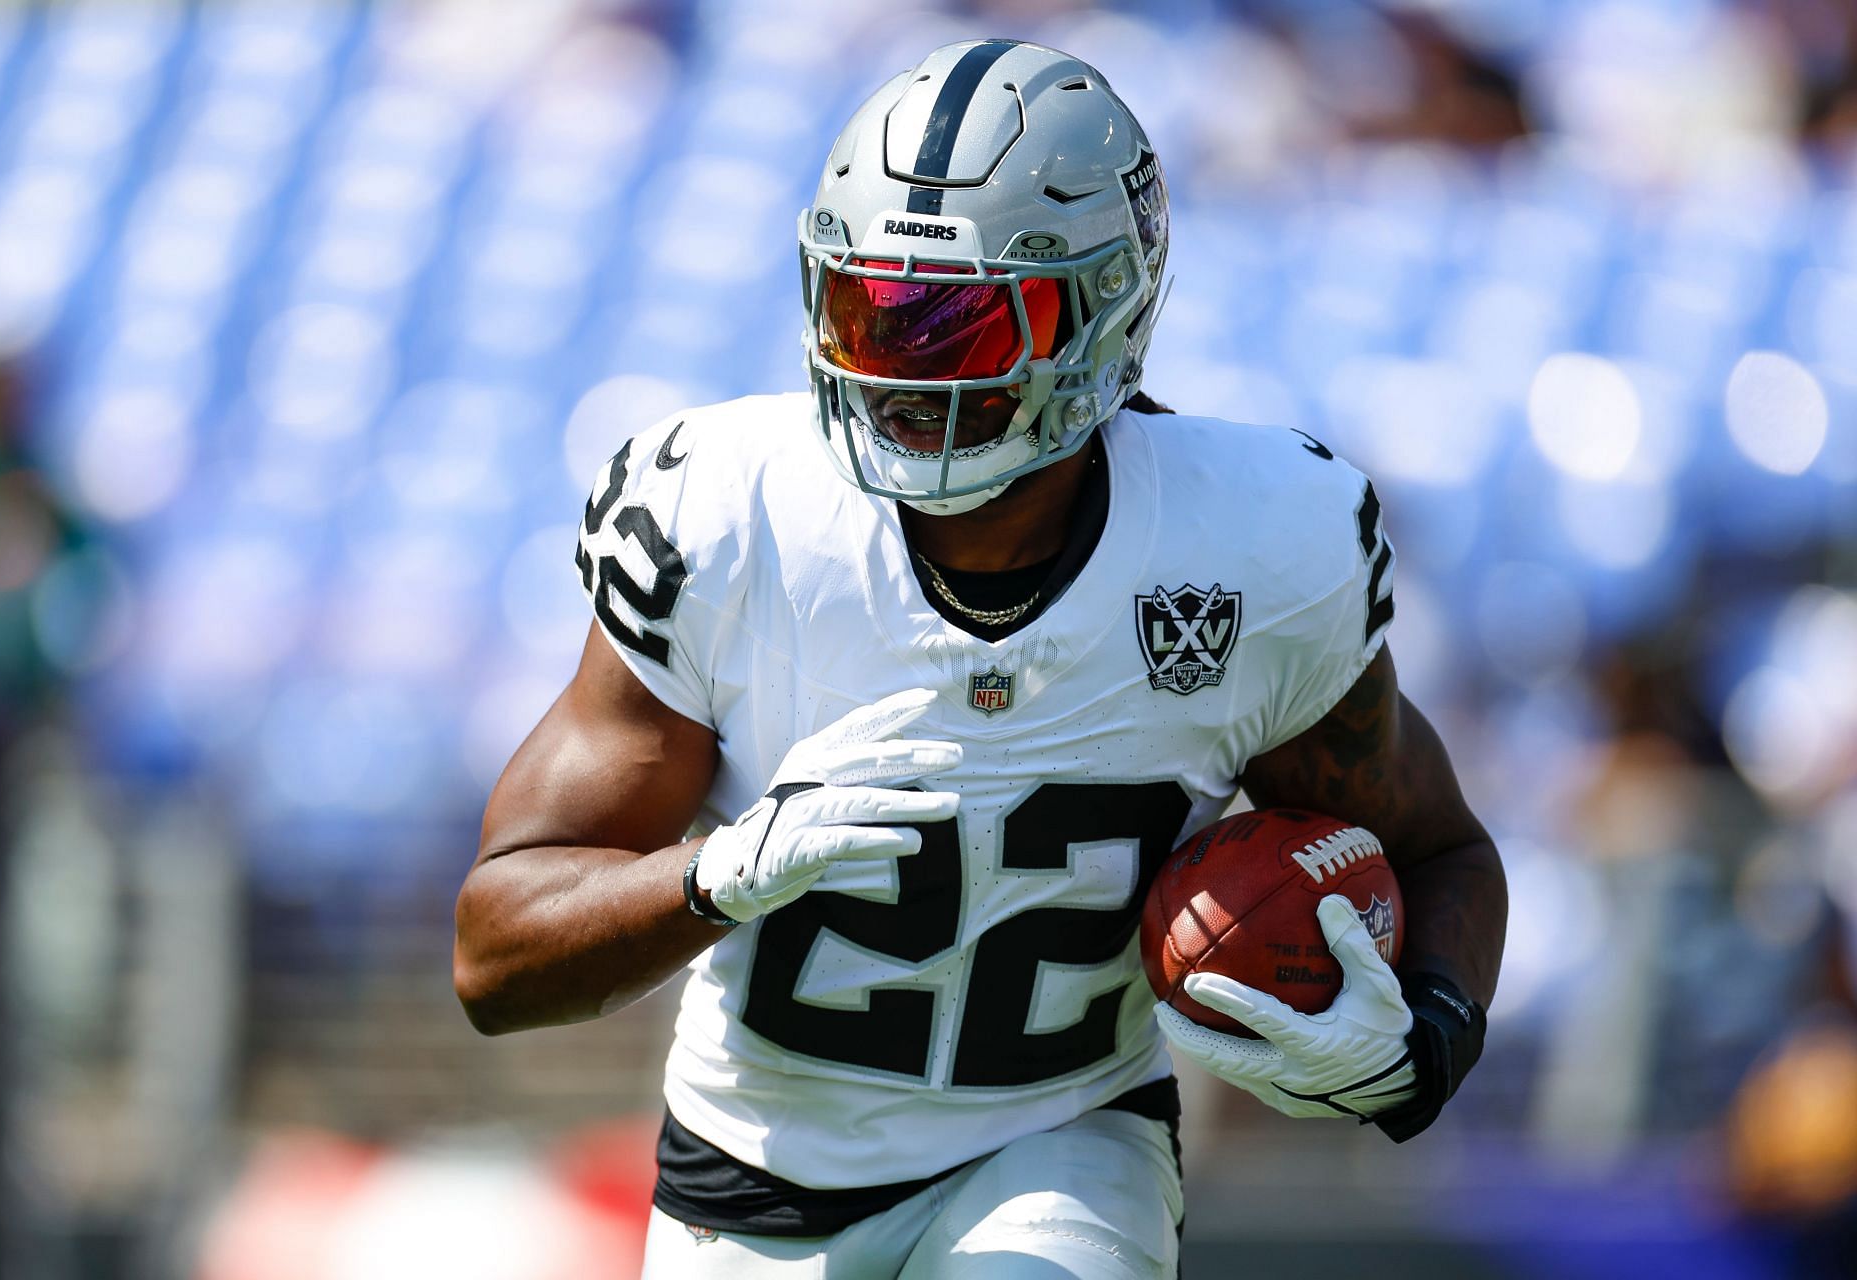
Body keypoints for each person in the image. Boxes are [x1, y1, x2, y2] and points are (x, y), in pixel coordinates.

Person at [454, 38, 1507, 1279]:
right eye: (875, 306)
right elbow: (493, 955)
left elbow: (1440, 848)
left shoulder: (1253, 539)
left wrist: (1424, 1033)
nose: (905, 368)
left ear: (1107, 302)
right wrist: (715, 870)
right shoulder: (731, 516)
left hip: (1060, 1135)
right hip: (753, 1166)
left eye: (962, 318)